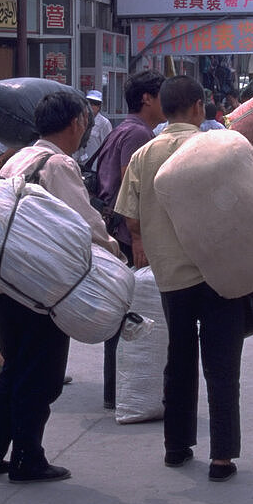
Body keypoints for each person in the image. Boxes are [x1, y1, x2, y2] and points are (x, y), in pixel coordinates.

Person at [0, 91, 121, 483]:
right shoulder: (59, 164)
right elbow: (83, 223)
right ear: (76, 124)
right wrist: (113, 250)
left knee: (14, 367)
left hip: (5, 281)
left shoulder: (20, 156)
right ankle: (27, 458)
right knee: (42, 375)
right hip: (41, 287)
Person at [114, 75, 247, 482]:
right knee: (222, 364)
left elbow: (130, 217)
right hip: (220, 271)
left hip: (171, 274)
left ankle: (176, 446)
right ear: (196, 108)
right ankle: (221, 457)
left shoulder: (145, 155)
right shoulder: (217, 148)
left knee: (180, 358)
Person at [93, 70, 165, 410]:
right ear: (147, 98)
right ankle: (121, 391)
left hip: (116, 230)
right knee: (129, 316)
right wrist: (138, 238)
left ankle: (116, 390)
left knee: (122, 314)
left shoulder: (123, 127)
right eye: (162, 93)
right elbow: (131, 188)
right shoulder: (137, 134)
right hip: (125, 235)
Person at [75, 89, 113, 164]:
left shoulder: (104, 123)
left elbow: (108, 146)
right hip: (78, 162)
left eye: (95, 103)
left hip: (94, 165)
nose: (92, 106)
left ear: (99, 106)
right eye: (90, 103)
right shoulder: (79, 119)